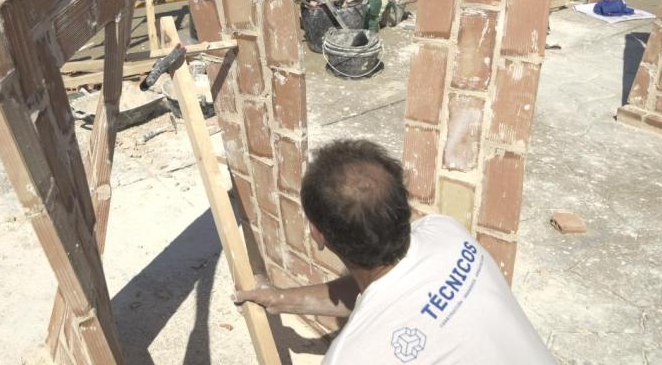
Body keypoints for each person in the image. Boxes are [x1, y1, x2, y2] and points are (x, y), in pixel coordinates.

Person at [234, 139, 555, 364]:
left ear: (318, 234)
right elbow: (383, 291)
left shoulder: (352, 357)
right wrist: (278, 298)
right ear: (403, 206)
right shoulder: (447, 232)